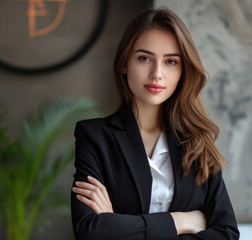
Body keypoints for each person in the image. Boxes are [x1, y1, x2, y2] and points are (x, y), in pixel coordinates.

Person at [71, 7, 239, 240]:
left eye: (171, 61)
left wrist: (118, 226)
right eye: (144, 58)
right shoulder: (94, 136)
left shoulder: (197, 140)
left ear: (183, 70)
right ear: (124, 64)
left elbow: (226, 234)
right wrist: (180, 221)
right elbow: (91, 232)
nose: (157, 73)